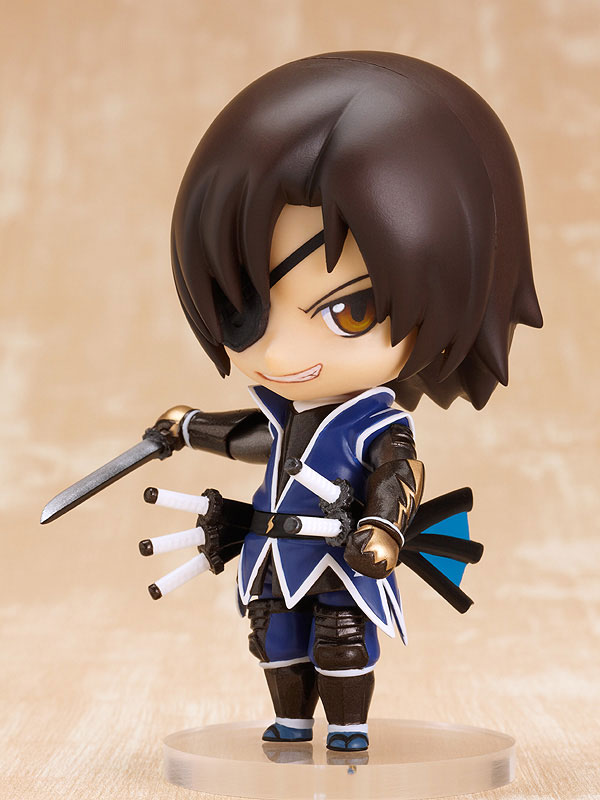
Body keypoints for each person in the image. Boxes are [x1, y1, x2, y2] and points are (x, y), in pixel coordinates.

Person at [165, 52, 542, 752]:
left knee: (339, 639)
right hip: (275, 551)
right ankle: (289, 723)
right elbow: (258, 439)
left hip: (342, 554)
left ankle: (347, 728)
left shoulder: (375, 422)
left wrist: (385, 530)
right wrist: (190, 427)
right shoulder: (284, 415)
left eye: (351, 311)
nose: (280, 353)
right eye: (246, 307)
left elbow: (400, 472)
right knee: (274, 636)